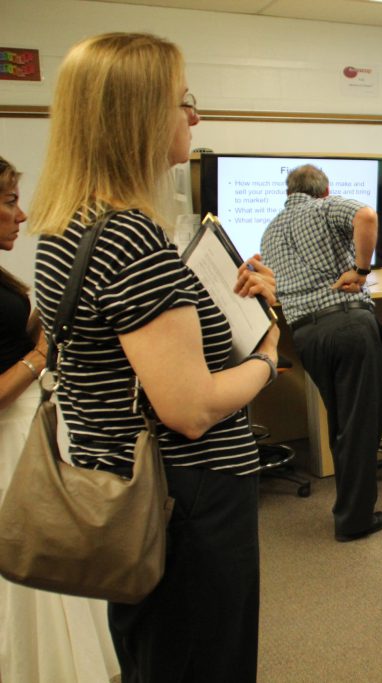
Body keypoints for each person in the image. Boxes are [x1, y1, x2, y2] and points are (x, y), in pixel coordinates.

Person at [30, 33, 279, 682]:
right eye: (182, 101)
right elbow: (191, 409)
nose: (194, 117)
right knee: (204, 659)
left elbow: (122, 355)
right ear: (137, 116)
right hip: (185, 498)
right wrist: (270, 353)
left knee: (154, 655)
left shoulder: (65, 226)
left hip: (124, 496)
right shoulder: (132, 237)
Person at [0, 156, 122, 682]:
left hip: (30, 425)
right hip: (11, 440)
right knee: (37, 561)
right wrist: (39, 355)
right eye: (8, 202)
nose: (21, 215)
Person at [260, 164, 382, 542]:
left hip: (307, 335)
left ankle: (349, 508)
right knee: (360, 424)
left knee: (342, 422)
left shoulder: (270, 230)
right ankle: (354, 520)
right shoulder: (324, 208)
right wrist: (361, 270)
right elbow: (366, 215)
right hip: (348, 324)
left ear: (289, 191)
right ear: (326, 190)